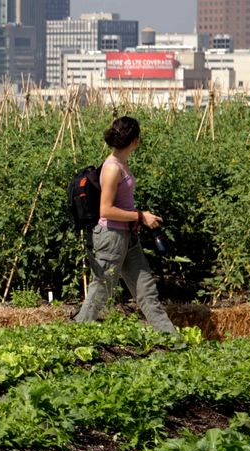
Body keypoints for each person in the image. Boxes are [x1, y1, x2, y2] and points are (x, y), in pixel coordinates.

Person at [73, 115, 177, 333]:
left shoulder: (122, 163)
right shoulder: (112, 168)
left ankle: (172, 340)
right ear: (135, 140)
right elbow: (106, 210)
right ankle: (75, 336)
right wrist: (140, 216)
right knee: (101, 289)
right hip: (111, 237)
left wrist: (136, 221)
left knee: (145, 289)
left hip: (127, 237)